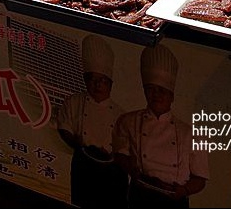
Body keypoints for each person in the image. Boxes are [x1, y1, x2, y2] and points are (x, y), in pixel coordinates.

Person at [113, 44, 208, 209]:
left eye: (162, 90)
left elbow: (200, 179)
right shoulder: (128, 121)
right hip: (140, 195)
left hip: (174, 200)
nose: (156, 95)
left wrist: (184, 190)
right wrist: (133, 172)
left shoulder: (191, 134)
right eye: (151, 89)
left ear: (171, 96)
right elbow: (120, 155)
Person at [56, 35, 128, 207]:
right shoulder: (73, 101)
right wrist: (79, 145)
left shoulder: (121, 114)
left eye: (103, 81)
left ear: (110, 83)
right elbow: (63, 128)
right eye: (93, 79)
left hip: (113, 170)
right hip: (83, 164)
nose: (98, 85)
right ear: (85, 81)